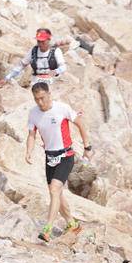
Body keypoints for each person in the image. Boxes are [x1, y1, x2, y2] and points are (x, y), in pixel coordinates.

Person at [25, 81, 91, 244]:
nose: (40, 102)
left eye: (42, 98)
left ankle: (47, 229)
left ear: (49, 94)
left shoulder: (62, 108)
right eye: (36, 99)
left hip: (66, 155)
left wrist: (87, 146)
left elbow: (80, 124)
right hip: (50, 157)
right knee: (57, 193)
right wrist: (29, 151)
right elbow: (31, 134)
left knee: (54, 190)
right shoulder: (33, 113)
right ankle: (72, 224)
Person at [1, 27, 67, 87]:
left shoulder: (56, 51)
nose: (40, 44)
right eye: (38, 41)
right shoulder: (33, 51)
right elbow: (21, 65)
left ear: (48, 40)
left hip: (52, 82)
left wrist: (56, 71)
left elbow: (63, 67)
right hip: (36, 83)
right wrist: (7, 78)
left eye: (43, 41)